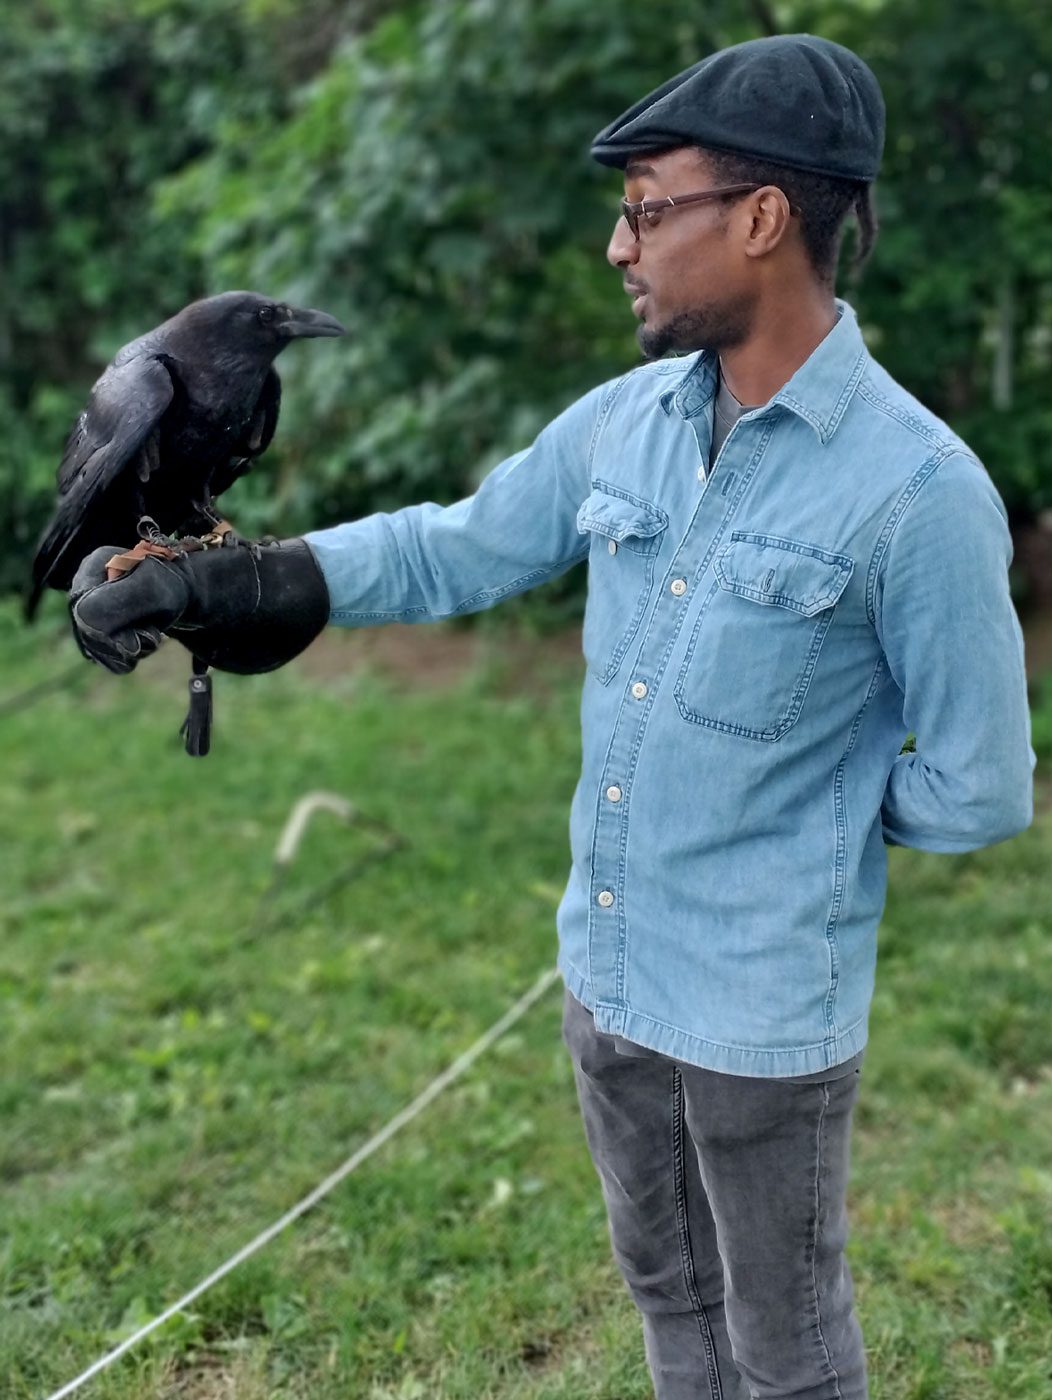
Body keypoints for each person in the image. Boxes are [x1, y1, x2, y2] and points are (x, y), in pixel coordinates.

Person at [69, 32, 1035, 1400]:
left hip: (763, 1025)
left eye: (647, 209)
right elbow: (455, 546)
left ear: (762, 220)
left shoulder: (920, 494)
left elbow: (985, 786)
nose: (616, 247)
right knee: (672, 1311)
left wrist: (805, 826)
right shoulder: (625, 422)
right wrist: (249, 582)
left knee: (791, 1353)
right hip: (609, 983)